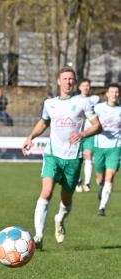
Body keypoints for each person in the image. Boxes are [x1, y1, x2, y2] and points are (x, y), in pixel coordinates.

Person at [22, 66, 102, 250]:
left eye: (70, 79)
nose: (68, 81)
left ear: (74, 82)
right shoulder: (50, 103)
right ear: (59, 81)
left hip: (73, 158)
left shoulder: (83, 103)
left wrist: (82, 135)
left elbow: (98, 126)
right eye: (64, 78)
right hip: (52, 155)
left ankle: (59, 219)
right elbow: (44, 122)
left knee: (66, 200)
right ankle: (39, 235)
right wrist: (30, 137)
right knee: (47, 192)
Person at [93, 83, 121, 216]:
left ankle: (102, 207)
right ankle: (101, 184)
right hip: (99, 147)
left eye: (117, 92)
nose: (114, 94)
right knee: (100, 177)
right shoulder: (98, 108)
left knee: (110, 177)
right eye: (112, 92)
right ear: (107, 94)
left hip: (115, 148)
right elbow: (91, 123)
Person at [74, 78, 101, 192]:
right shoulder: (74, 99)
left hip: (89, 132)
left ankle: (87, 183)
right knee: (76, 157)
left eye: (88, 86)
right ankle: (78, 181)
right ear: (79, 87)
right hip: (77, 132)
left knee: (88, 155)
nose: (86, 88)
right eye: (84, 85)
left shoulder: (95, 99)